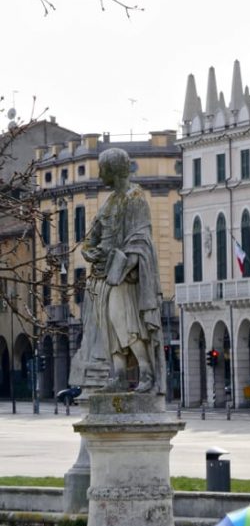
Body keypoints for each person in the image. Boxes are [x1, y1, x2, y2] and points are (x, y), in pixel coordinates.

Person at [81, 147, 165, 393]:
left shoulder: (135, 198)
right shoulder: (109, 202)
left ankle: (147, 373)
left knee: (126, 323)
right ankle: (117, 376)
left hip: (124, 276)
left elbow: (141, 239)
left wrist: (122, 259)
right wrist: (90, 251)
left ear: (114, 170)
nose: (99, 176)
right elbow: (91, 237)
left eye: (102, 170)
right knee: (111, 329)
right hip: (103, 276)